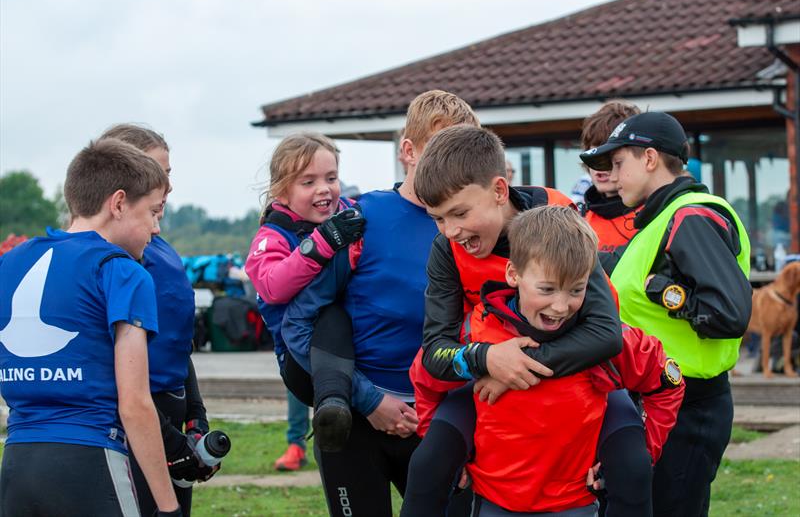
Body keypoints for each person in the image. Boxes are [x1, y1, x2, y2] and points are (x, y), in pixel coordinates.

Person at [405, 125, 650, 517]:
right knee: (428, 465)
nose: (451, 230)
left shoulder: (559, 223)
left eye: (460, 213)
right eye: (438, 219)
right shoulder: (446, 250)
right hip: (490, 381)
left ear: (499, 191)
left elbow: (605, 334)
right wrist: (488, 359)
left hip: (581, 377)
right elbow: (435, 352)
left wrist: (513, 369)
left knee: (633, 469)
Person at [281, 89, 481, 516]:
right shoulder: (360, 219)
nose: (453, 167)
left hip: (438, 420)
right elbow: (299, 325)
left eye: (461, 154)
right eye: (440, 151)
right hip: (356, 420)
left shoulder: (478, 227)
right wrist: (368, 400)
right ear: (408, 151)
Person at [580, 111, 752, 517]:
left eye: (619, 163)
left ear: (650, 158)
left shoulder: (690, 216)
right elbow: (615, 267)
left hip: (686, 408)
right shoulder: (661, 219)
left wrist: (666, 293)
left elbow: (728, 312)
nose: (611, 176)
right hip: (656, 400)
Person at [0, 139, 180, 516]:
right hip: (89, 458)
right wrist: (167, 506)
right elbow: (134, 404)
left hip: (17, 462)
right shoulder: (123, 271)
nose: (156, 228)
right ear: (117, 204)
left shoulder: (11, 263)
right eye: (152, 212)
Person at [466, 205, 684, 516]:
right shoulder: (477, 329)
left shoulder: (609, 342)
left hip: (573, 504)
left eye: (576, 290)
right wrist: (448, 448)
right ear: (514, 274)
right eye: (547, 289)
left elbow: (667, 382)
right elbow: (429, 372)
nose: (560, 305)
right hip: (496, 503)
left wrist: (646, 450)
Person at [98, 124, 215, 516]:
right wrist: (168, 438)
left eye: (168, 174)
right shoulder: (118, 255)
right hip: (137, 417)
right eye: (156, 172)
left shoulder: (158, 246)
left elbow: (180, 345)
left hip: (172, 409)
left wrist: (196, 414)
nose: (166, 187)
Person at [244, 132, 366, 456]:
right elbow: (271, 286)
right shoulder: (272, 236)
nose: (324, 188)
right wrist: (321, 245)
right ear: (282, 191)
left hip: (353, 349)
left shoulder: (351, 213)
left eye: (331, 177)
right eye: (308, 182)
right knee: (332, 315)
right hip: (302, 362)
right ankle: (320, 419)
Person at [579, 101, 641, 254]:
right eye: (593, 152)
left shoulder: (654, 215)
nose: (600, 166)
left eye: (609, 155)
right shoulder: (579, 220)